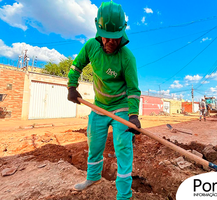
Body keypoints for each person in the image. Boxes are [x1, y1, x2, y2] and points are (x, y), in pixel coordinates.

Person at [67, 1, 141, 199]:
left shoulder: (127, 57)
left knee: (123, 148)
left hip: (121, 108)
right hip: (99, 107)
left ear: (122, 34)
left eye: (115, 38)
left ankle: (124, 195)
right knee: (95, 143)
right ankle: (93, 177)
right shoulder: (91, 47)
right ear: (98, 31)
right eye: (106, 37)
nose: (110, 42)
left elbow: (133, 90)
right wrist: (72, 87)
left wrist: (133, 116)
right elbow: (76, 66)